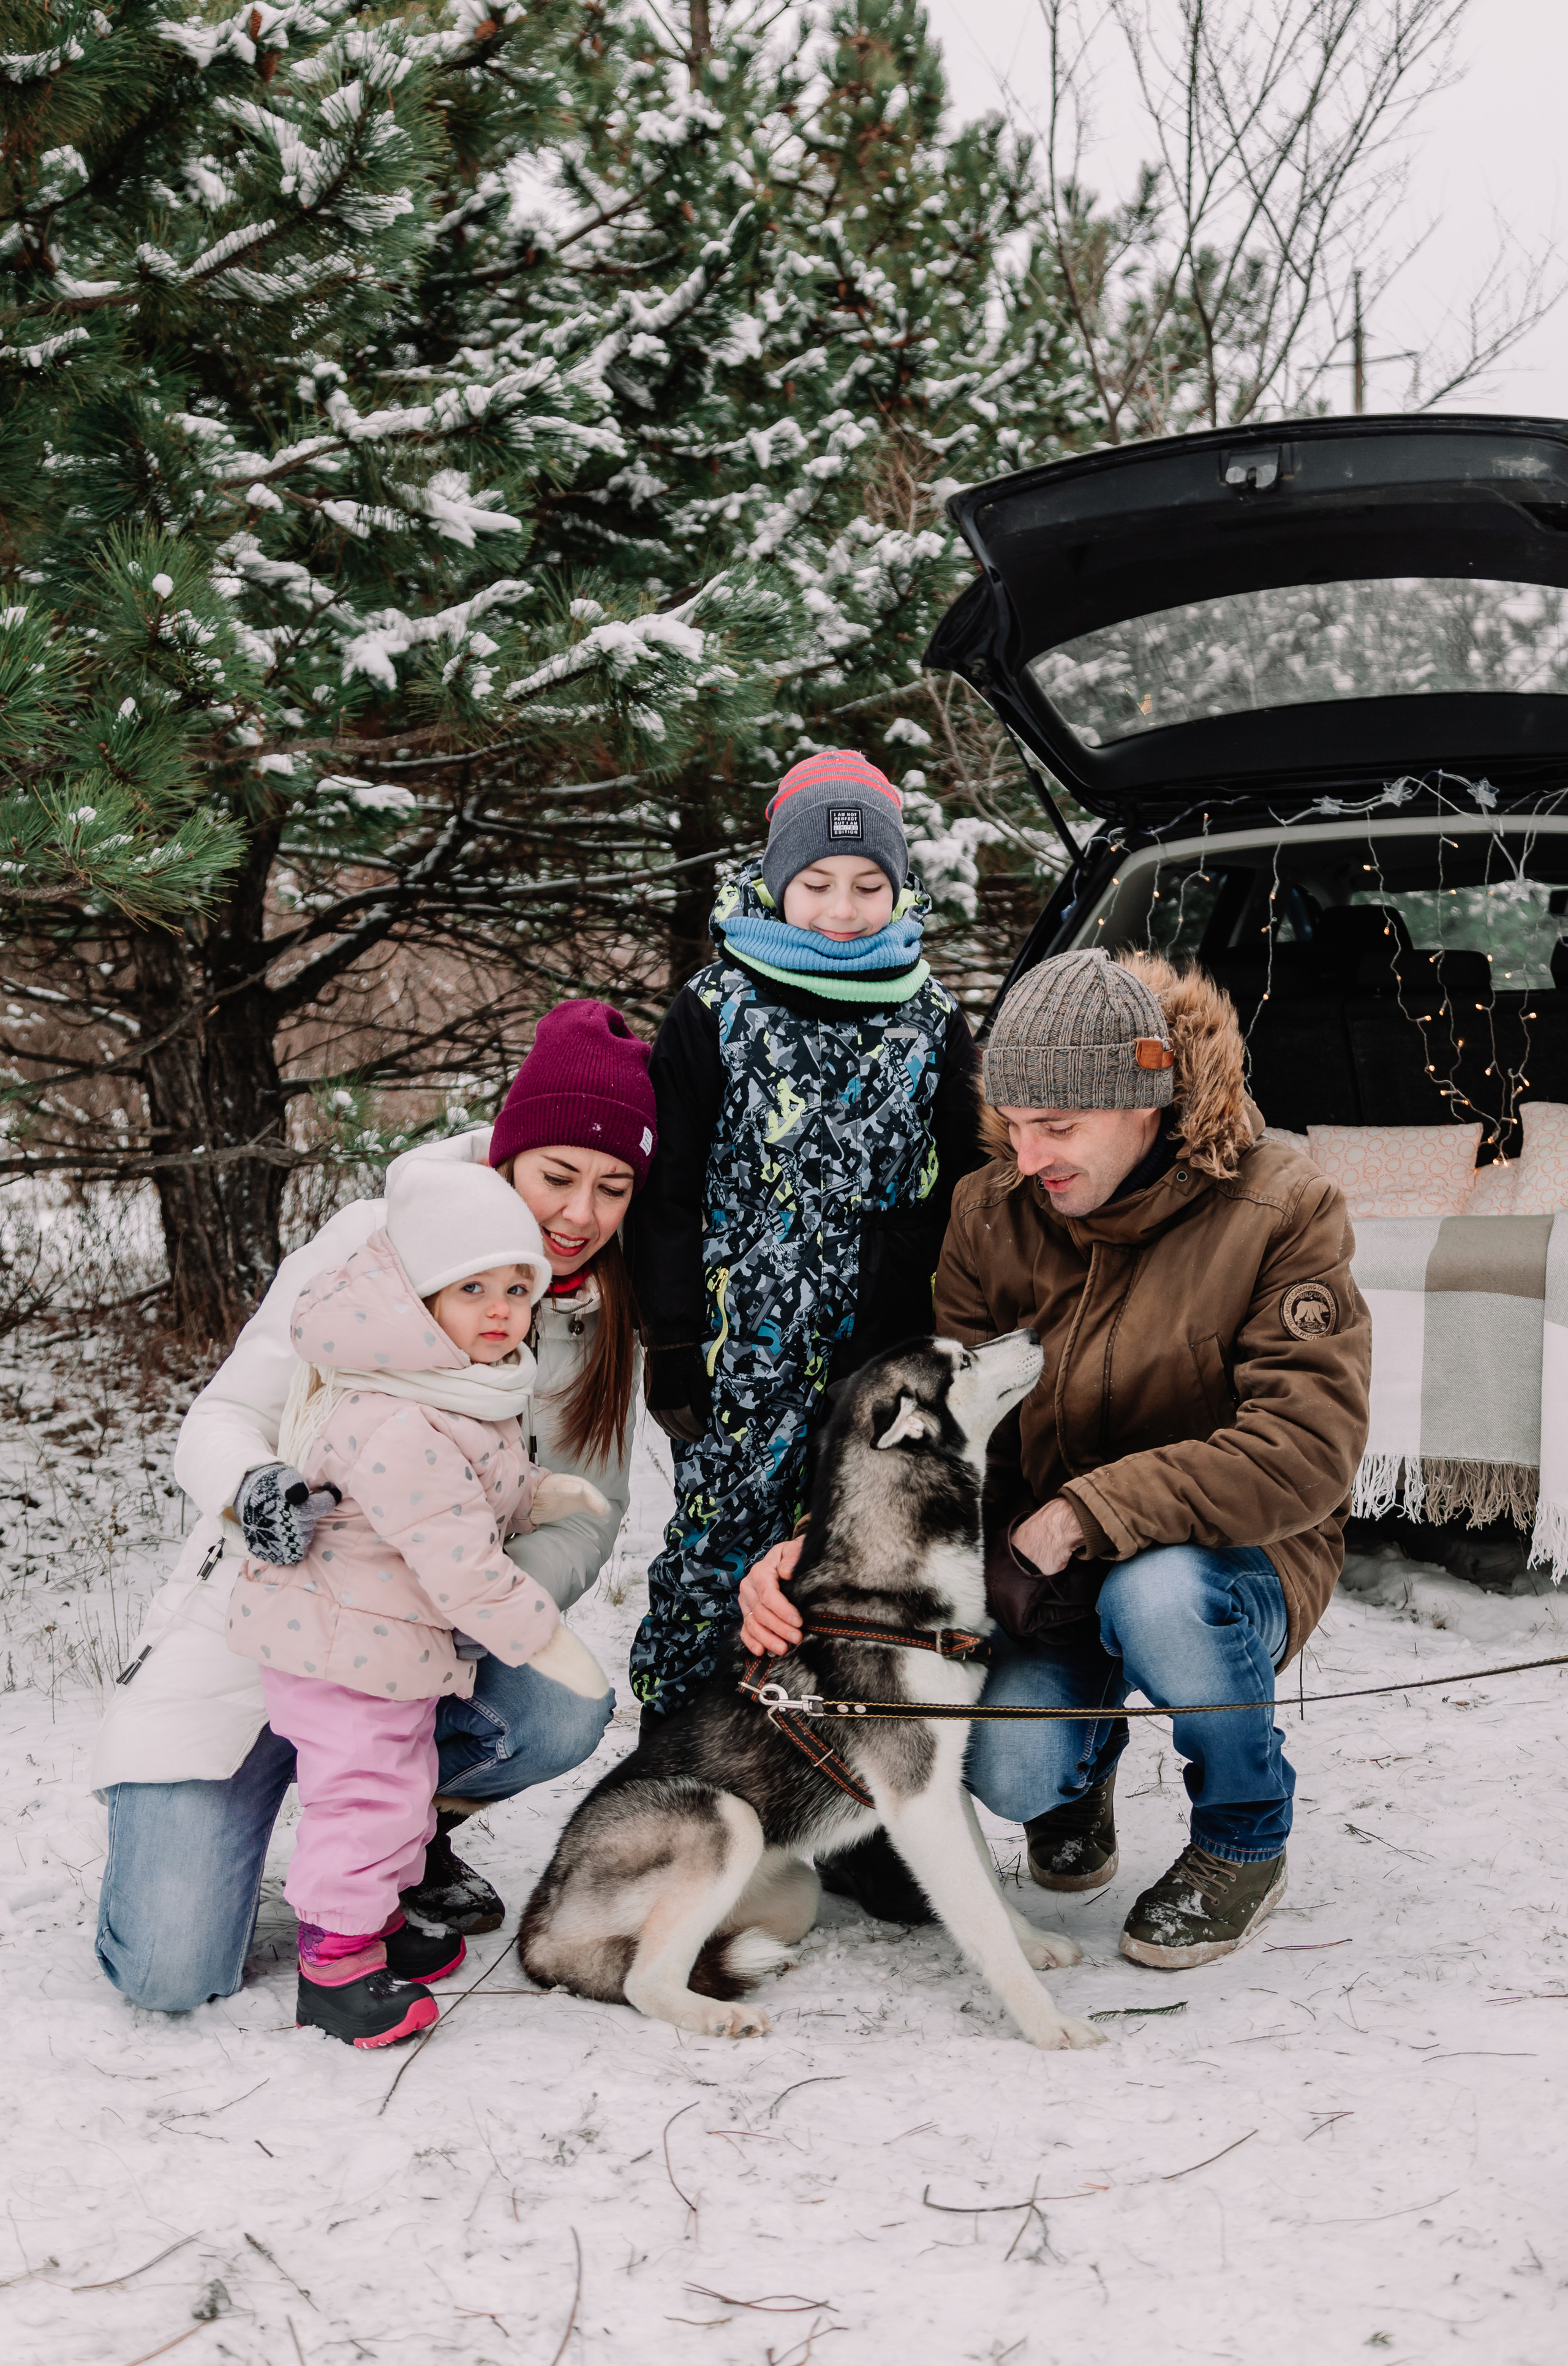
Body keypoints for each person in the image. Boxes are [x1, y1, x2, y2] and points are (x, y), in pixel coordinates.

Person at [739, 947, 1371, 1968]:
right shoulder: (993, 1212)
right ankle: (1083, 1770)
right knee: (1010, 1766)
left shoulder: (1281, 1208)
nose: (1029, 1158)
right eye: (1016, 1126)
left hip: (1230, 1555)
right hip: (1048, 1575)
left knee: (1159, 1598)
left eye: (1059, 1128)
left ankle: (1244, 1833)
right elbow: (947, 1432)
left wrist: (1088, 1510)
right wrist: (820, 1550)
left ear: (1145, 1100)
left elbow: (1310, 1447)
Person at [93, 1000, 655, 2014]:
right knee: (170, 1971)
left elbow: (587, 1510)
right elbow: (219, 1417)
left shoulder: (592, 1309)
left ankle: (388, 1840)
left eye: (613, 1187)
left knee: (564, 1704)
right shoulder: (377, 1247)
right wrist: (250, 1487)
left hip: (406, 1639)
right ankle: (265, 1818)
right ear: (507, 1157)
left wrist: (472, 1602)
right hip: (263, 1615)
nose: (580, 1214)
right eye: (556, 1177)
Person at [630, 748, 982, 1733]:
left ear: (899, 886)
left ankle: (851, 1781)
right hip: (739, 1358)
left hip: (878, 1356)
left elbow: (970, 1185)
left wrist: (916, 1300)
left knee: (865, 1554)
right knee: (723, 1554)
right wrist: (669, 1339)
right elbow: (667, 1189)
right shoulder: (715, 1008)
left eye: (869, 884)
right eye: (817, 883)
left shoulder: (935, 1022)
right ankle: (685, 1758)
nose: (842, 906)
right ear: (777, 883)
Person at [230, 1161, 616, 2047]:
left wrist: (544, 1496)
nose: (499, 1309)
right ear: (418, 1299)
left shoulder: (455, 1387)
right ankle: (336, 1963)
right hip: (343, 1651)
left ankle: (383, 1918)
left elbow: (482, 1485)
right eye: (471, 1287)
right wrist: (545, 1638)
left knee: (403, 1788)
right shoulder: (401, 1417)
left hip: (382, 1647)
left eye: (518, 1287)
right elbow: (461, 1565)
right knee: (366, 1799)